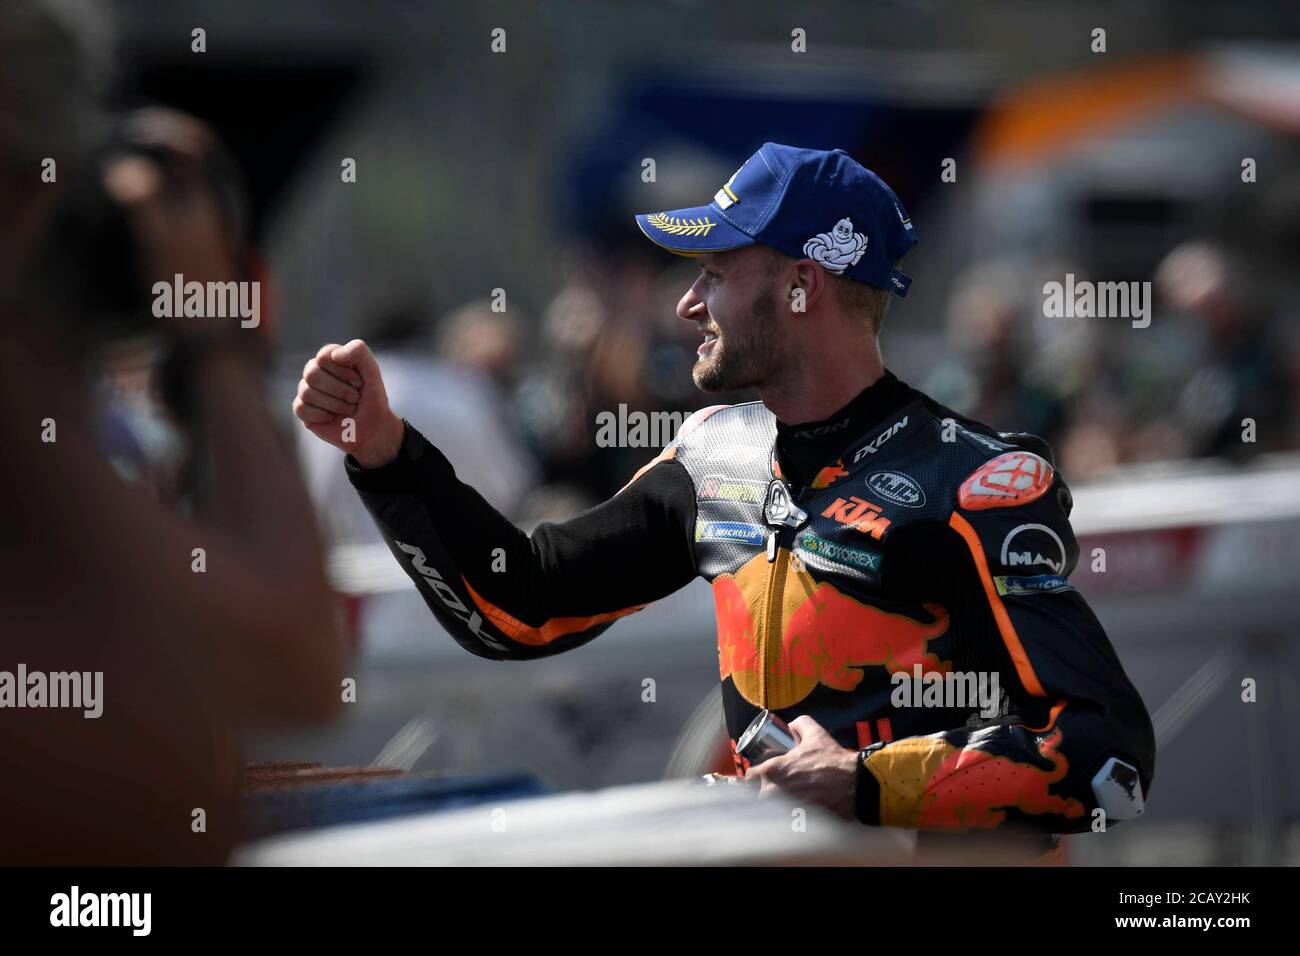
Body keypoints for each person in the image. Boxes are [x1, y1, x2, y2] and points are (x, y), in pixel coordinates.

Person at [293, 143, 1155, 847]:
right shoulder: (717, 457)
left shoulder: (972, 483)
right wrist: (387, 455)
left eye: (713, 270)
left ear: (800, 286)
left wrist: (868, 782)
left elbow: (1107, 757)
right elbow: (519, 603)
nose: (687, 302)